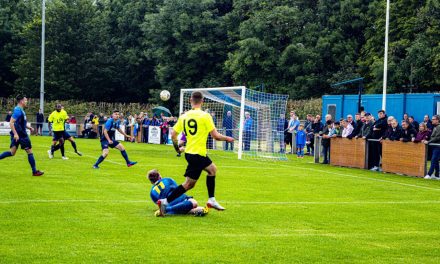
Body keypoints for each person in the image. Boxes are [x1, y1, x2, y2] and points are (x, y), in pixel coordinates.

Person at [157, 91, 234, 216]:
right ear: (202, 101)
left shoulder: (184, 116)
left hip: (190, 153)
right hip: (198, 153)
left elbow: (173, 135)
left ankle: (165, 201)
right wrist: (228, 138)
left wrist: (177, 149)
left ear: (190, 101)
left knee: (189, 184)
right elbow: (215, 136)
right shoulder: (205, 116)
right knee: (212, 170)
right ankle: (211, 200)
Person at [0, 95, 44, 176]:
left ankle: (34, 171)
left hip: (18, 134)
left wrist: (29, 127)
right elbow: (11, 122)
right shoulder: (18, 110)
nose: (27, 102)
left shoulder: (21, 110)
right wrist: (16, 134)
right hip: (21, 135)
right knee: (29, 151)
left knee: (12, 152)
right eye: (26, 100)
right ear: (21, 101)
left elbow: (19, 122)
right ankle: (34, 171)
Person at [424, 115, 440, 179]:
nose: (432, 120)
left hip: (438, 146)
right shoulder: (435, 127)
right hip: (434, 145)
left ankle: (429, 174)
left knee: (433, 160)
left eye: (433, 119)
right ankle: (437, 175)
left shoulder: (439, 127)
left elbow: (437, 137)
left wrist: (429, 141)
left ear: (437, 120)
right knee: (435, 160)